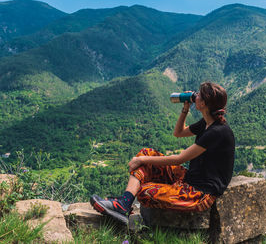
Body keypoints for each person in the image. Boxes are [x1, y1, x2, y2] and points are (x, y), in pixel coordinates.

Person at [90, 82, 235, 225]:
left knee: (145, 192)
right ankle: (124, 204)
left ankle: (123, 205)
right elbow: (178, 133)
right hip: (190, 178)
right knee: (146, 153)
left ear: (203, 104)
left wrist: (142, 161)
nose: (195, 95)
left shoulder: (217, 132)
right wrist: (185, 109)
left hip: (199, 194)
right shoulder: (206, 123)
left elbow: (179, 159)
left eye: (199, 95)